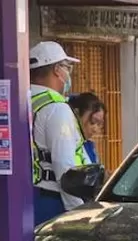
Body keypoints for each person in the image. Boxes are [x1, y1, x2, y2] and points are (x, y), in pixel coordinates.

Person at [28, 41, 89, 226]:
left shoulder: (25, 101)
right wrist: (78, 213)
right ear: (56, 69)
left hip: (31, 197)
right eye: (67, 67)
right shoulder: (56, 108)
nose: (68, 74)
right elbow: (65, 165)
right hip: (56, 202)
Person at [68, 92, 105, 165]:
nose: (95, 129)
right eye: (92, 122)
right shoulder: (65, 142)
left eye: (99, 124)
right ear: (77, 113)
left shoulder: (90, 147)